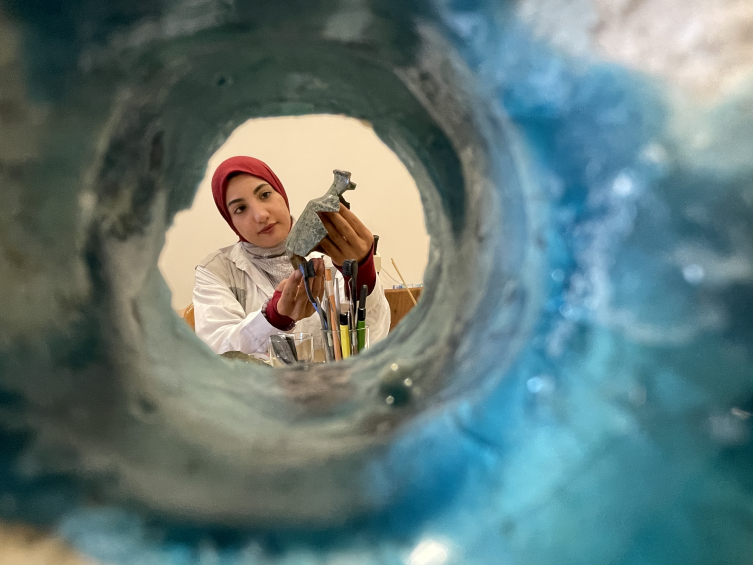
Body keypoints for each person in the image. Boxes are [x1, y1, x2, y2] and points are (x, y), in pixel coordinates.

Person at [193, 156, 391, 356]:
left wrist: (363, 275)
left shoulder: (332, 253)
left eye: (265, 195)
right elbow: (217, 351)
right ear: (230, 220)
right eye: (240, 209)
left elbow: (372, 339)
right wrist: (273, 318)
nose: (260, 215)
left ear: (281, 193)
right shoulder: (216, 270)